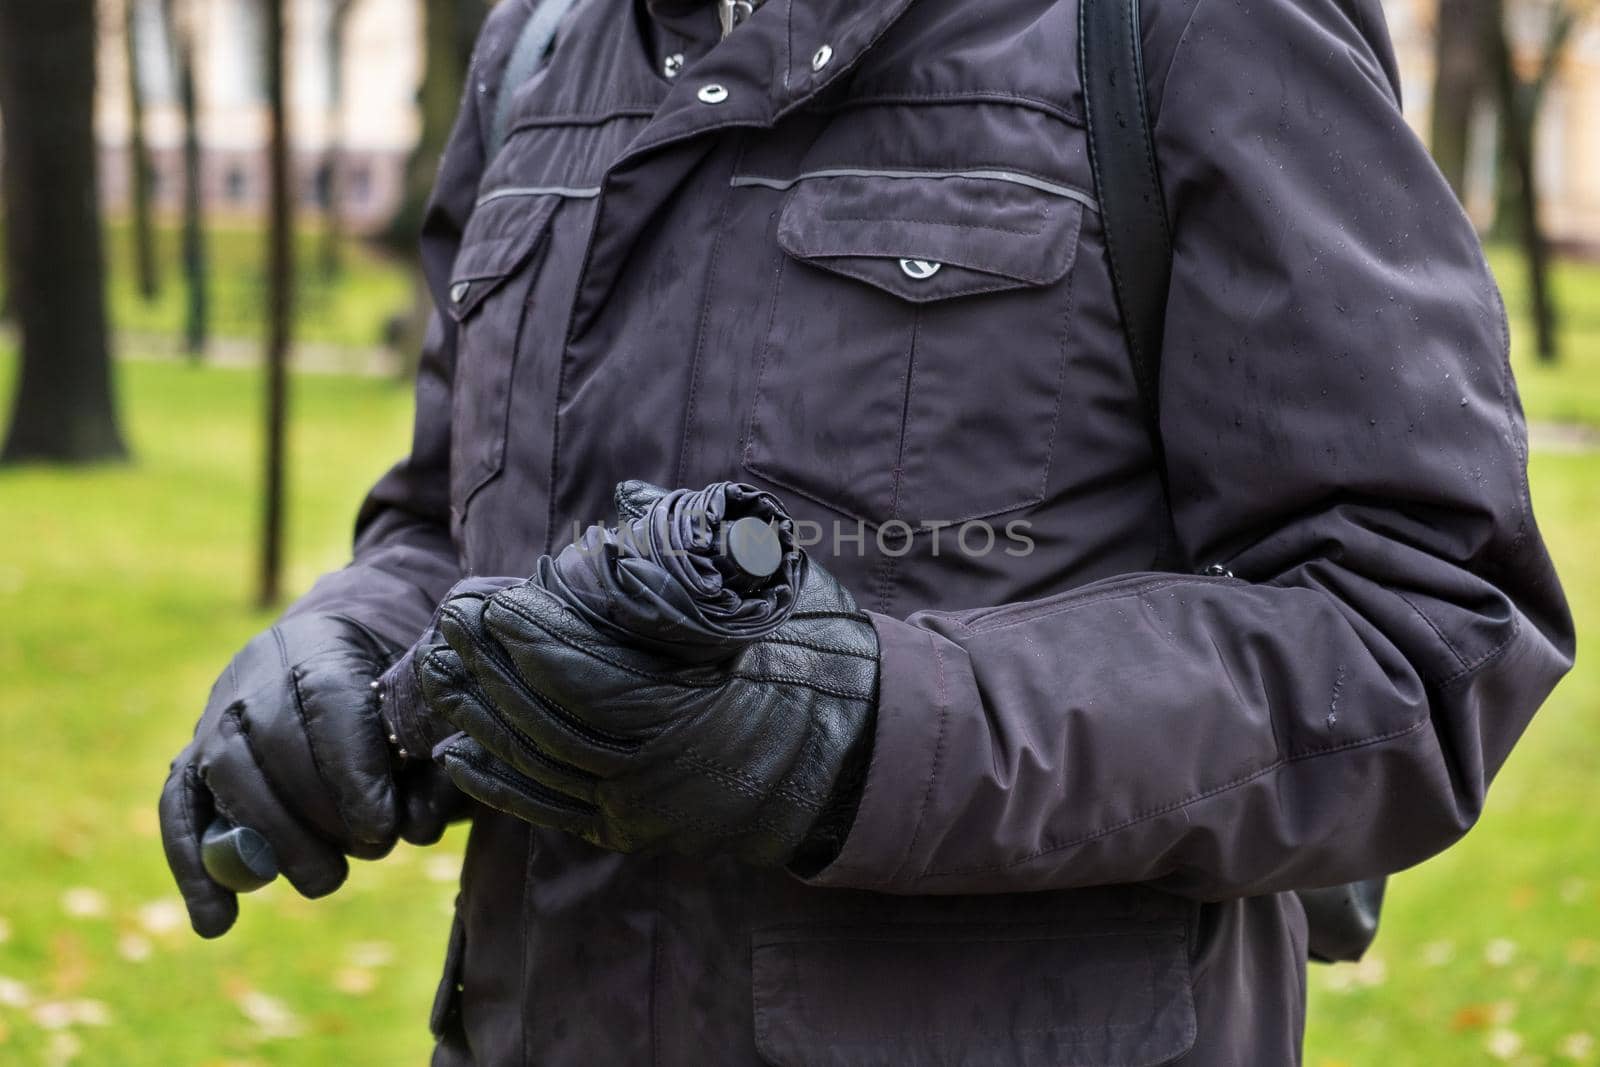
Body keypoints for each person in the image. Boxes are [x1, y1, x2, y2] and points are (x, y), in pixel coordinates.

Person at [159, 0, 1575, 1062]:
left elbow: (1417, 626)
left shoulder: (1183, 23)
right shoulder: (536, 50)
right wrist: (342, 646)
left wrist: (858, 737)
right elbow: (445, 520)